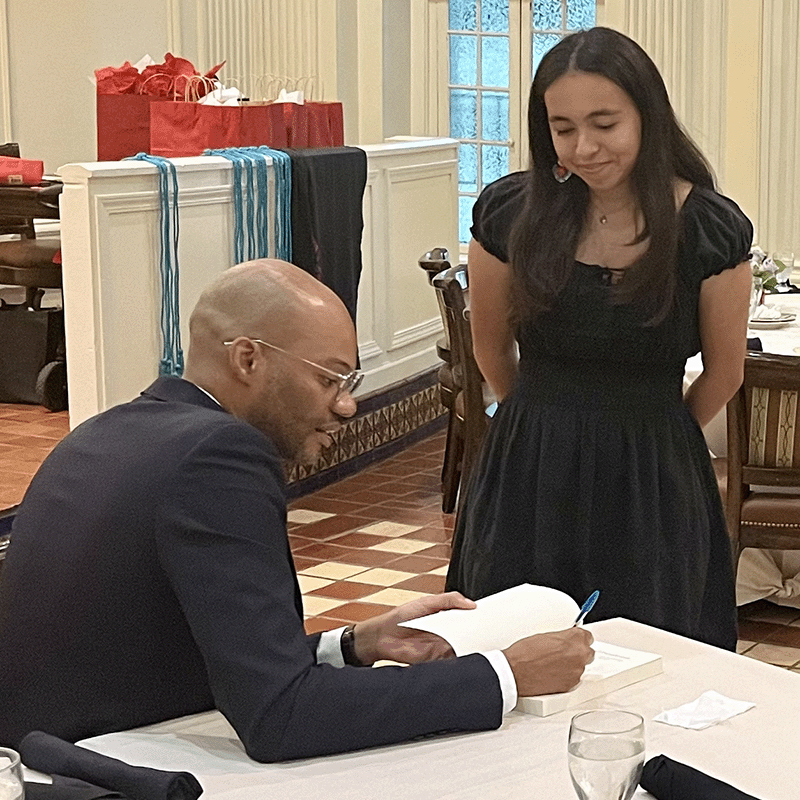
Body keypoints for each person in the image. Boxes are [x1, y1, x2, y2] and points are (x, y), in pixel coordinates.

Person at [0, 259, 593, 761]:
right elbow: (280, 718)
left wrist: (353, 644)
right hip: (108, 768)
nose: (348, 405)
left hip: (50, 751)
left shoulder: (105, 430)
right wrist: (505, 674)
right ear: (248, 360)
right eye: (330, 379)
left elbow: (204, 654)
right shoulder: (220, 456)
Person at [446, 27, 753, 651]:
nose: (584, 146)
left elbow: (725, 372)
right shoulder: (511, 213)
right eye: (563, 127)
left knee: (654, 649)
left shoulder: (706, 227)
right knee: (516, 645)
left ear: (648, 117)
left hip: (654, 465)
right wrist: (535, 417)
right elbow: (489, 349)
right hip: (531, 459)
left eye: (604, 123)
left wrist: (662, 433)